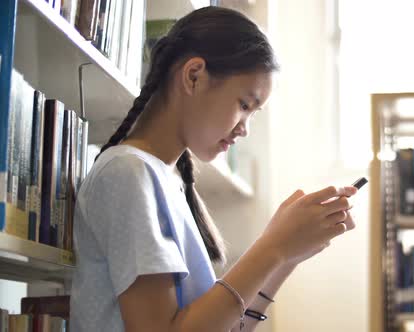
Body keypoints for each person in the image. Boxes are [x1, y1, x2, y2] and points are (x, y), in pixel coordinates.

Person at [70, 6, 358, 332]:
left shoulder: (166, 181)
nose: (244, 128)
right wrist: (273, 247)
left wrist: (286, 256)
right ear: (194, 76)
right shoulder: (127, 174)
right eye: (244, 105)